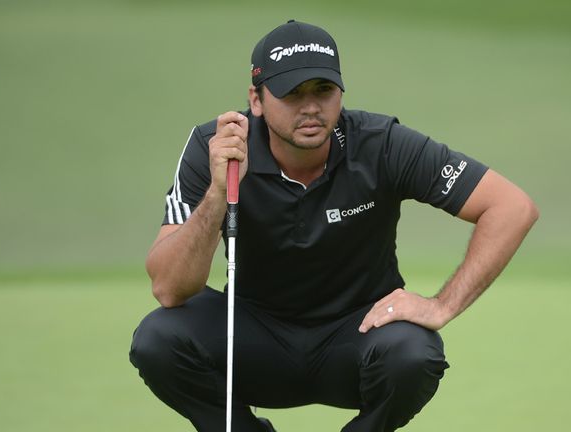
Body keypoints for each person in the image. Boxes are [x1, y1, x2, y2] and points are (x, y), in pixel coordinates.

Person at [129, 20, 538, 432]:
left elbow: (511, 207)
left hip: (357, 336)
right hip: (253, 336)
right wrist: (219, 193)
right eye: (291, 93)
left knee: (415, 352)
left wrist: (442, 305)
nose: (310, 107)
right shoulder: (215, 147)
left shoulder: (381, 144)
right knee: (157, 340)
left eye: (323, 91)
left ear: (340, 92)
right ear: (256, 99)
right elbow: (169, 287)